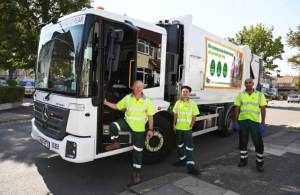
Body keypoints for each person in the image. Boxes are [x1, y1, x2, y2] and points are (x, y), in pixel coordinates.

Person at [104, 80, 154, 184]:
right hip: (127, 123)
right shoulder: (127, 98)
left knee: (138, 151)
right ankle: (116, 143)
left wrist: (150, 129)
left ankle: (136, 173)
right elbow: (117, 106)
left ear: (142, 88)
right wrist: (106, 103)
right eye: (136, 87)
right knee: (113, 126)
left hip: (139, 128)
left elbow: (150, 116)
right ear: (133, 87)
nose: (138, 89)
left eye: (140, 87)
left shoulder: (147, 101)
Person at [234, 78, 267, 172]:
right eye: (246, 83)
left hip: (254, 121)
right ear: (244, 84)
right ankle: (243, 160)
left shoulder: (260, 95)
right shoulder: (240, 95)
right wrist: (236, 121)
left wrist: (263, 122)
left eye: (250, 83)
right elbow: (237, 108)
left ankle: (259, 163)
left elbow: (263, 109)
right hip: (242, 121)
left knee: (258, 142)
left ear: (253, 83)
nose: (248, 84)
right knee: (243, 141)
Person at [172, 85, 201, 175]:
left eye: (186, 92)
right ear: (181, 92)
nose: (185, 93)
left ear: (189, 93)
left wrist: (191, 126)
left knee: (189, 147)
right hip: (179, 128)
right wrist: (174, 124)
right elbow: (175, 114)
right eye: (183, 91)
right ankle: (182, 160)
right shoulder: (178, 103)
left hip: (187, 129)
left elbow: (194, 115)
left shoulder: (192, 103)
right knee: (180, 146)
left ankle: (191, 167)